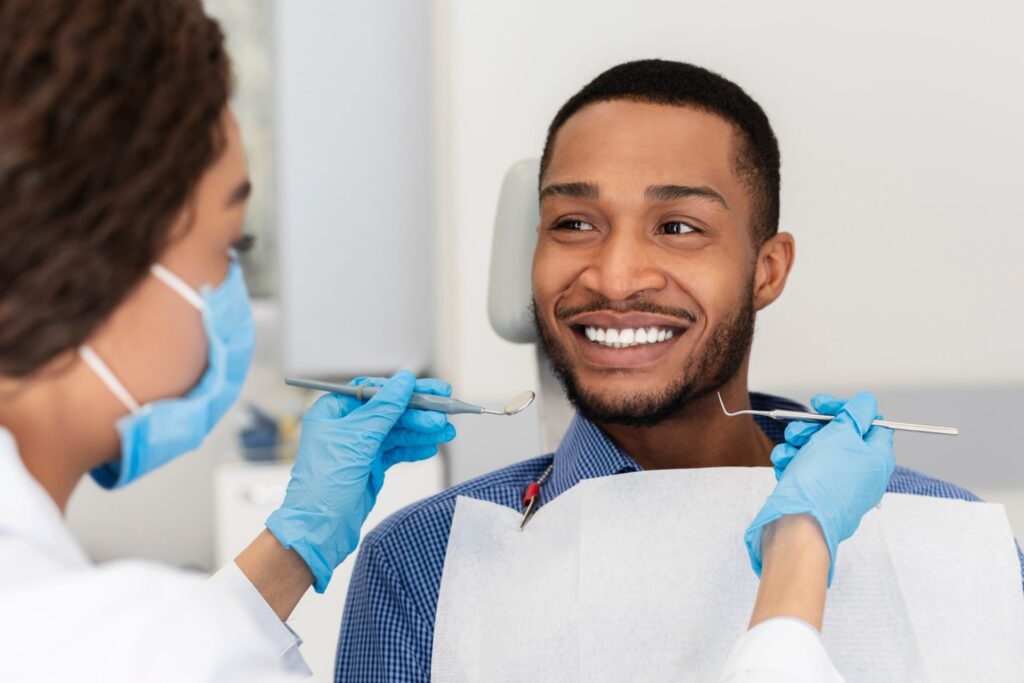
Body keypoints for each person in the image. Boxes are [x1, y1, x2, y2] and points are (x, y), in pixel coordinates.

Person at [336, 59, 1023, 681]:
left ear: (767, 269)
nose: (614, 276)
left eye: (677, 227)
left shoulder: (949, 541)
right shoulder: (423, 564)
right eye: (574, 223)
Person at [0, 1, 454, 680]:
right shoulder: (139, 646)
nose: (229, 289)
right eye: (228, 244)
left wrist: (295, 543)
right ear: (103, 254)